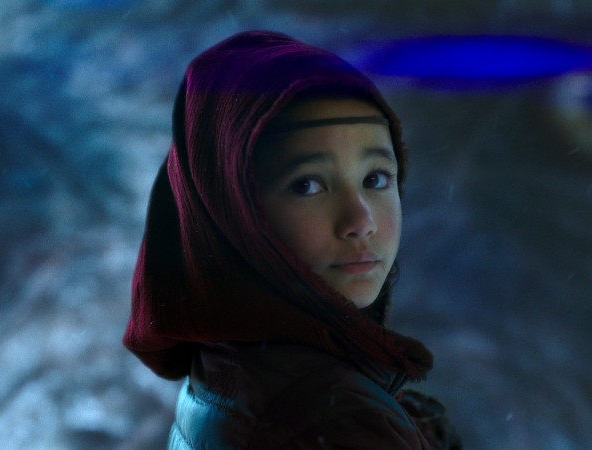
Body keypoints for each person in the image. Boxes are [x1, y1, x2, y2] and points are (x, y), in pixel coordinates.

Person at [123, 30, 458, 449]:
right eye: (307, 185)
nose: (361, 221)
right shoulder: (333, 419)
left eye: (375, 179)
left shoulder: (226, 365)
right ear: (232, 212)